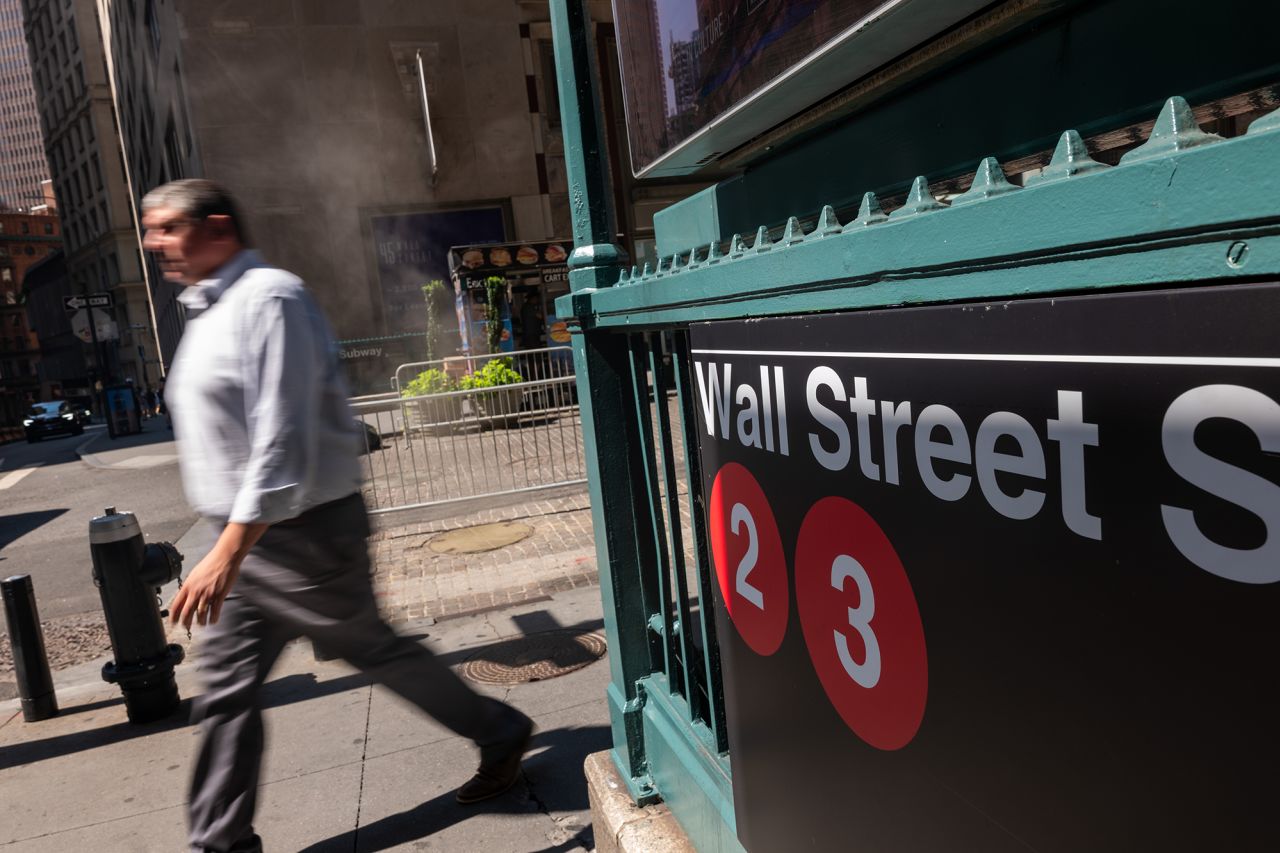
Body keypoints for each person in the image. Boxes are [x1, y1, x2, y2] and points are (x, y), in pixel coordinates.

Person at [141, 179, 533, 853]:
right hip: (246, 540)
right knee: (226, 694)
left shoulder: (271, 299)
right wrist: (227, 546)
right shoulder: (208, 311)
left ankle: (499, 730)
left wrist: (227, 551)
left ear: (218, 230)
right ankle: (221, 841)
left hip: (302, 536)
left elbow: (283, 438)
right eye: (150, 229)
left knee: (376, 652)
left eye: (167, 226)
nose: (155, 242)